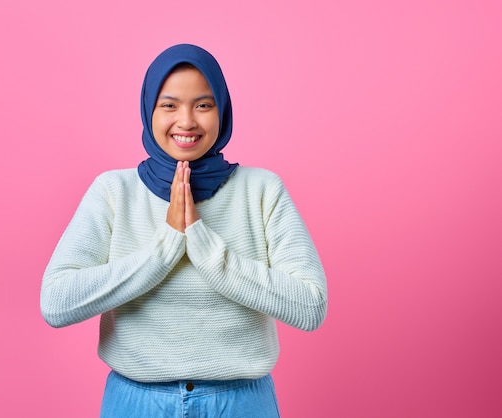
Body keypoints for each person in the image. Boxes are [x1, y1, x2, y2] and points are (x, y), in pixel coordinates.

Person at [40, 44, 327, 418]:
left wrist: (207, 251)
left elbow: (310, 306)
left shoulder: (262, 190)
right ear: (149, 111)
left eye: (203, 105)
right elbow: (56, 303)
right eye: (170, 105)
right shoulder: (114, 191)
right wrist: (165, 248)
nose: (187, 121)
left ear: (222, 111)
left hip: (242, 403)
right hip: (137, 402)